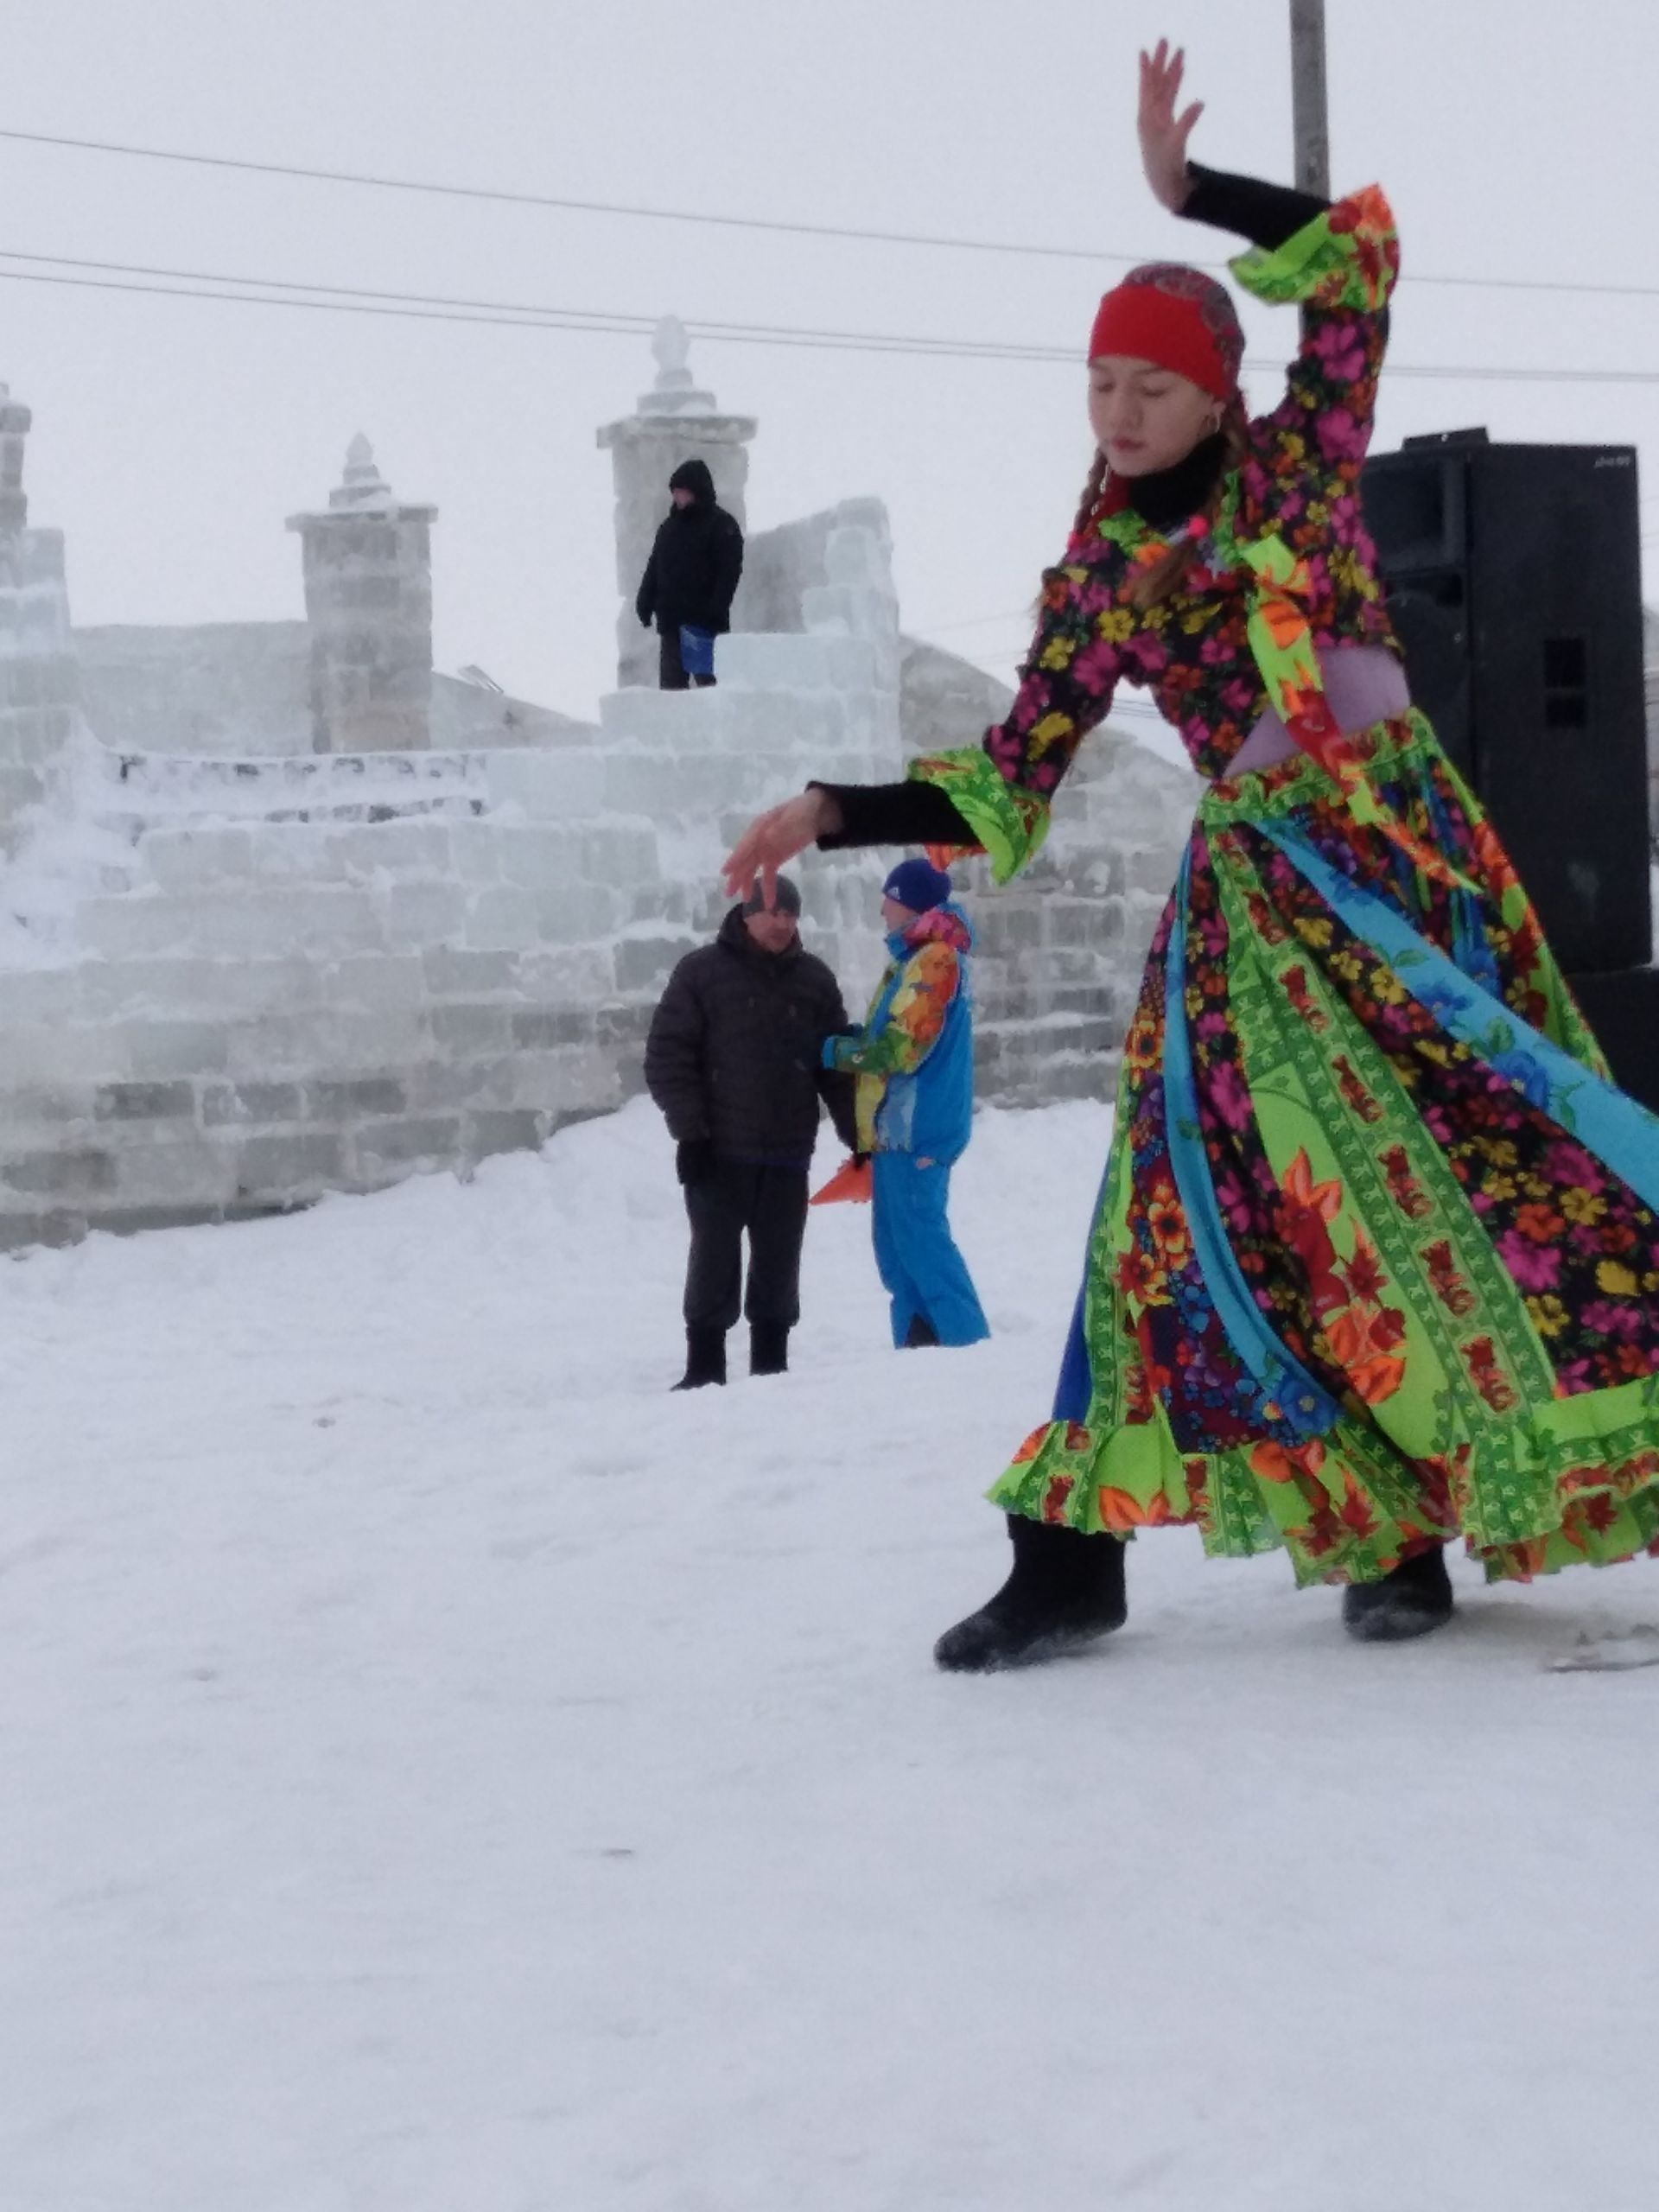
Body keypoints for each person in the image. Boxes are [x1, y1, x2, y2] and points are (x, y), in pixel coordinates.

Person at [721, 40, 1659, 1670]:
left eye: (1150, 385)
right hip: (1259, 911)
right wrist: (837, 809)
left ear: (1219, 386)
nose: (1121, 412)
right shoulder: (1098, 566)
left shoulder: (1303, 455)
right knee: (1184, 1207)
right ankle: (1073, 1552)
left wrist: (1198, 193)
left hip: (1408, 868)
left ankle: (1412, 1533)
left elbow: (1360, 260)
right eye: (1100, 384)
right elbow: (1016, 778)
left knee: (1480, 1179)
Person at [644, 874, 858, 1388]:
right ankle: (704, 1370)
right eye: (771, 913)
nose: (781, 923)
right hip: (719, 1152)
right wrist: (690, 1134)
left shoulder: (815, 981)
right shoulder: (701, 974)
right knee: (714, 1259)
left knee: (779, 1263)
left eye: (790, 914)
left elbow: (835, 1067)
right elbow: (667, 1057)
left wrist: (858, 1135)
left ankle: (771, 1366)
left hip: (787, 1152)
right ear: (746, 915)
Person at [823, 858, 989, 1351]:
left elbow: (904, 1047)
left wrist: (837, 1051)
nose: (881, 908)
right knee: (897, 1256)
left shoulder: (936, 961)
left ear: (910, 903)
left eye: (889, 898)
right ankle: (919, 1351)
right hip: (897, 1133)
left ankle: (968, 1347)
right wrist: (857, 1038)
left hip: (920, 1128)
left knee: (924, 1246)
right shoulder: (914, 958)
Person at [635, 458, 745, 691]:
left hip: (704, 626)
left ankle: (719, 729)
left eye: (682, 492)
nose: (677, 497)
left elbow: (729, 571)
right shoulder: (668, 529)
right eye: (675, 492)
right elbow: (655, 566)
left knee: (712, 691)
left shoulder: (721, 525)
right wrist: (645, 601)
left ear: (697, 491)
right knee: (672, 696)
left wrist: (716, 609)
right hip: (671, 624)